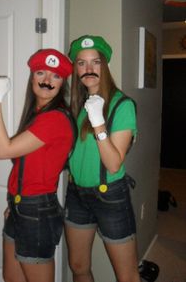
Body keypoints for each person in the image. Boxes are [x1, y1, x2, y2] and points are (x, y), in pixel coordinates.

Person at [0, 49, 74, 282]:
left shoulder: (54, 118)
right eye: (41, 72)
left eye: (55, 76)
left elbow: (2, 150)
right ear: (32, 78)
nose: (46, 81)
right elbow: (24, 164)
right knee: (12, 278)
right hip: (19, 205)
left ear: (63, 83)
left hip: (36, 211)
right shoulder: (38, 114)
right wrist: (14, 201)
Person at [64, 35, 141, 282]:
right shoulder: (76, 106)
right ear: (75, 69)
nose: (88, 69)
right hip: (76, 193)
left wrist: (98, 121)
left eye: (95, 62)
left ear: (105, 65)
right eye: (81, 63)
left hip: (110, 196)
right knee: (78, 266)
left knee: (126, 275)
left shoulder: (122, 105)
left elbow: (113, 162)